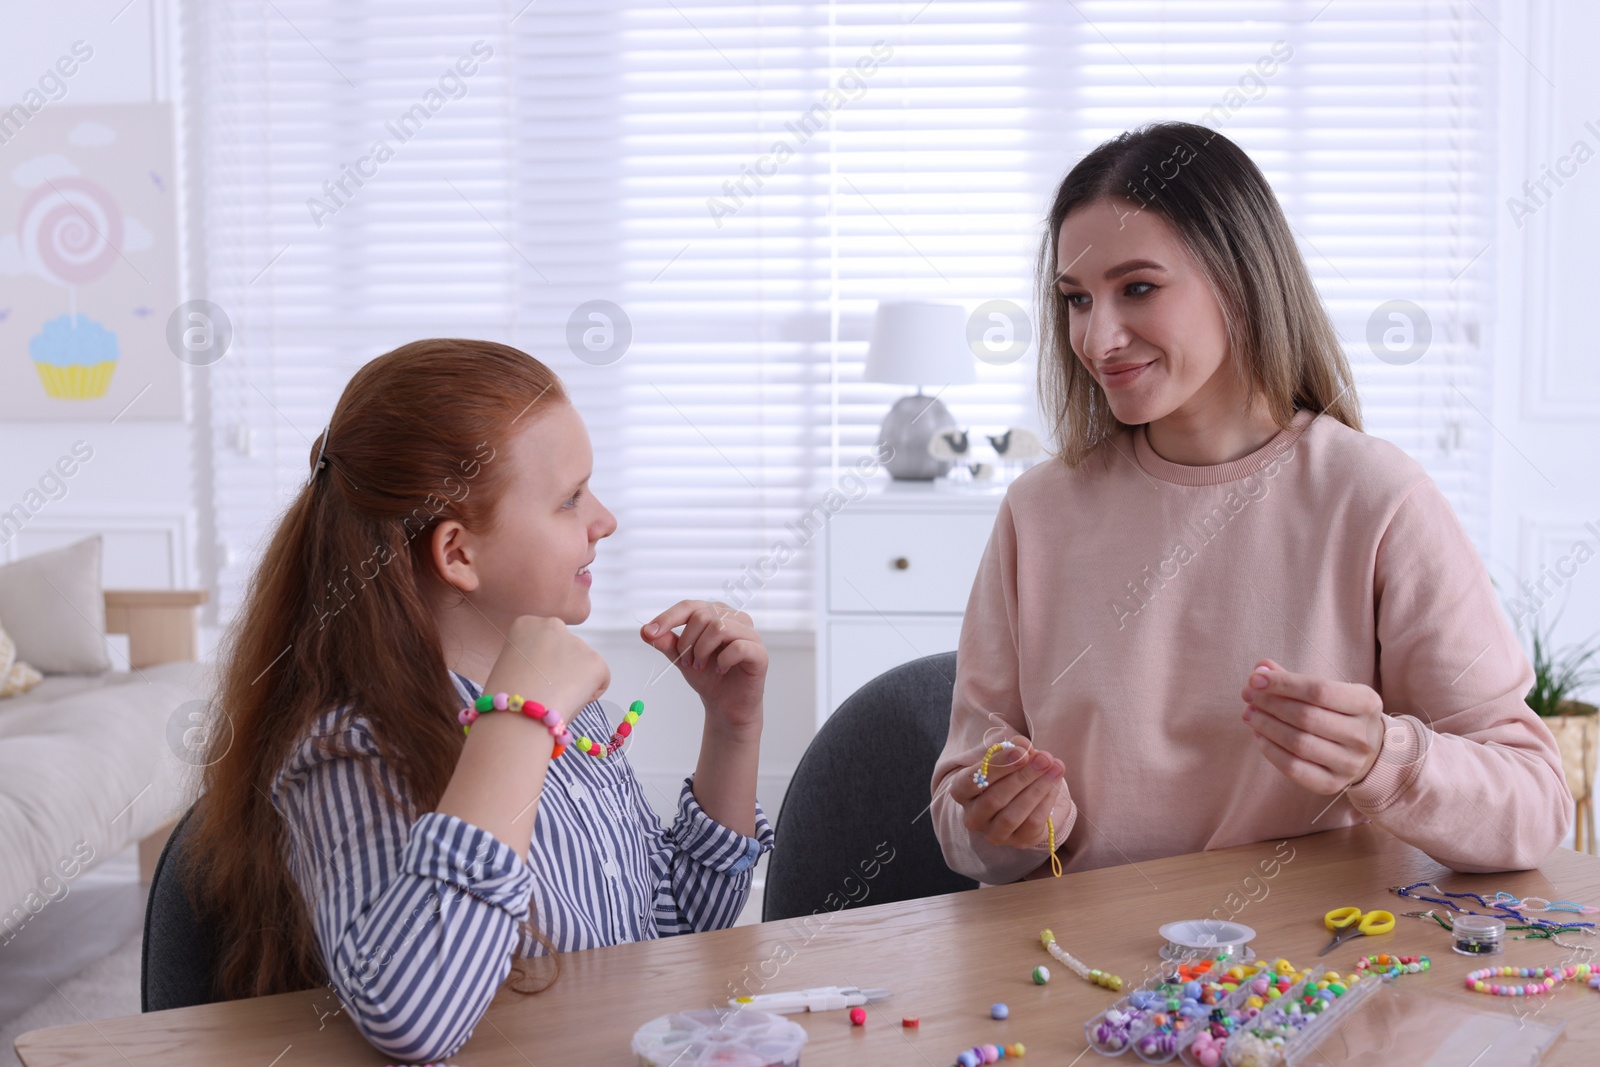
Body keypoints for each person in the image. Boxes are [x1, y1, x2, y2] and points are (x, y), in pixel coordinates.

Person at [930, 121, 1570, 886]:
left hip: (1303, 971)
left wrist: (1384, 758)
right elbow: (961, 815)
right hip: (1077, 969)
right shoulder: (1037, 514)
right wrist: (1007, 824)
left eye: (1137, 288)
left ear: (1239, 277)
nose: (1098, 338)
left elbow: (1535, 806)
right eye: (1075, 299)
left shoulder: (1375, 498)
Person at [186, 339, 773, 1061]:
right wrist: (519, 723)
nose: (605, 520)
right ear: (458, 553)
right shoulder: (350, 747)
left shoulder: (564, 709)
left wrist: (732, 727)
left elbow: (677, 925)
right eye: (570, 498)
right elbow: (416, 1022)